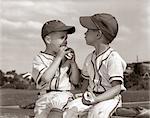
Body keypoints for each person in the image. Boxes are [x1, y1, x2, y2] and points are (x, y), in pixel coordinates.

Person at [63, 13, 127, 118]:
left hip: (109, 99)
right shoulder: (89, 58)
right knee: (69, 111)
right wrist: (84, 95)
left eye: (88, 30)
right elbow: (86, 82)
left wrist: (96, 99)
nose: (85, 33)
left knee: (97, 114)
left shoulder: (113, 57)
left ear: (98, 34)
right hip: (92, 96)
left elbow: (117, 88)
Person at [32, 20, 80, 118]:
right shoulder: (39, 58)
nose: (65, 41)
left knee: (59, 109)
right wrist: (58, 58)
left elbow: (75, 80)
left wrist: (72, 63)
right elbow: (45, 78)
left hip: (63, 95)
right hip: (45, 97)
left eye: (66, 38)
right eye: (62, 37)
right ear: (48, 40)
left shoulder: (67, 58)